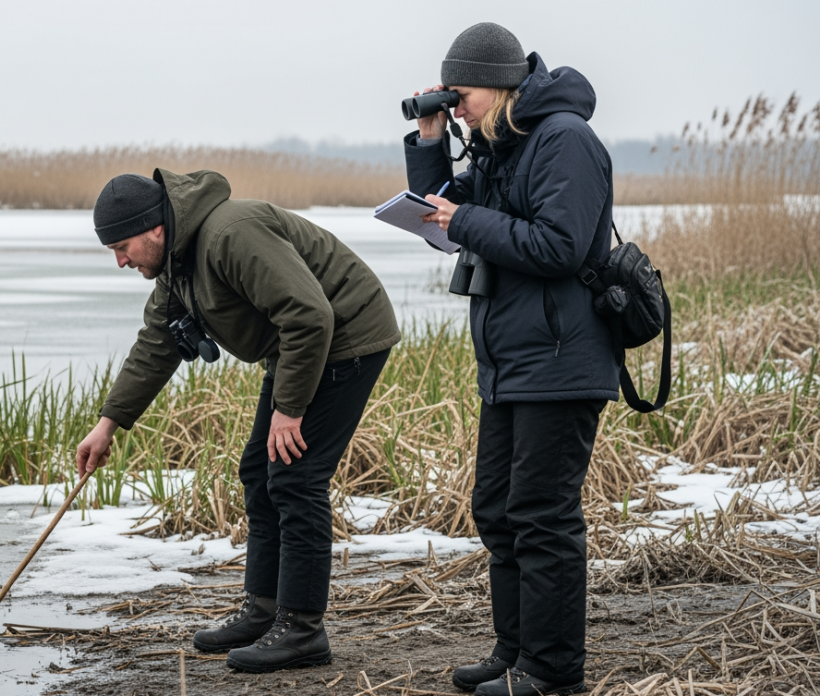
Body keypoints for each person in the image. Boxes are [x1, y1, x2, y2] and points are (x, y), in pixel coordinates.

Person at [74, 168, 400, 672]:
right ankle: (263, 611)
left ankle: (302, 630)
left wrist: (290, 410)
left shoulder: (231, 233)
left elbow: (310, 315)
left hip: (345, 336)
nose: (120, 261)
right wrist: (108, 424)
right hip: (296, 346)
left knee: (296, 477)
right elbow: (157, 343)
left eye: (122, 247)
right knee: (258, 472)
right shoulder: (176, 263)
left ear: (154, 228)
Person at [402, 22, 618, 696]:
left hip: (561, 360)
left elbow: (560, 245)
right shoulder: (503, 147)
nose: (456, 106)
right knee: (498, 510)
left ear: (497, 85)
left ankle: (552, 671)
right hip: (511, 363)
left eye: (460, 94)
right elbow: (441, 216)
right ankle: (515, 653)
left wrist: (463, 221)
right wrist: (431, 141)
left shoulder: (564, 140)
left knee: (542, 516)